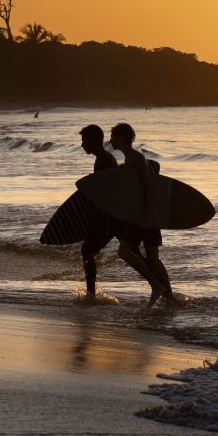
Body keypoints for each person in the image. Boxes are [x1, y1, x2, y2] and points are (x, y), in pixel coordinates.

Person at [109, 122, 173, 306]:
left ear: (121, 138)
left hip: (144, 216)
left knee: (123, 251)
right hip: (148, 215)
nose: (111, 140)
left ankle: (155, 286)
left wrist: (145, 217)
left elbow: (148, 187)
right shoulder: (130, 159)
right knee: (153, 258)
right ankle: (170, 296)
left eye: (113, 136)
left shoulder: (136, 157)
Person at [78, 124, 120, 297]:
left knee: (87, 251)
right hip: (112, 215)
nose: (82, 145)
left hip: (110, 216)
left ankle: (91, 294)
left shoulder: (105, 159)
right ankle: (162, 289)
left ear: (95, 140)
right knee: (133, 254)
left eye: (84, 141)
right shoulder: (103, 158)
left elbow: (111, 192)